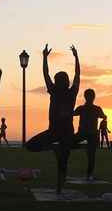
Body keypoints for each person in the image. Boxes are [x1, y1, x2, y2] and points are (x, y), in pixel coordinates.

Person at [26, 44, 80, 194]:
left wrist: (44, 58)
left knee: (62, 162)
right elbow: (76, 75)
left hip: (64, 132)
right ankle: (55, 149)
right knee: (32, 146)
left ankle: (59, 189)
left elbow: (47, 74)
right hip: (57, 131)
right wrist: (76, 57)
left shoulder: (65, 92)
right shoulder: (60, 92)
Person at [73, 88, 106, 181]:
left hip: (88, 134)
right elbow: (103, 116)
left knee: (91, 155)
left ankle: (89, 174)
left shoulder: (86, 108)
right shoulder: (91, 109)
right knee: (91, 155)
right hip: (87, 133)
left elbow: (103, 116)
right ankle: (89, 174)